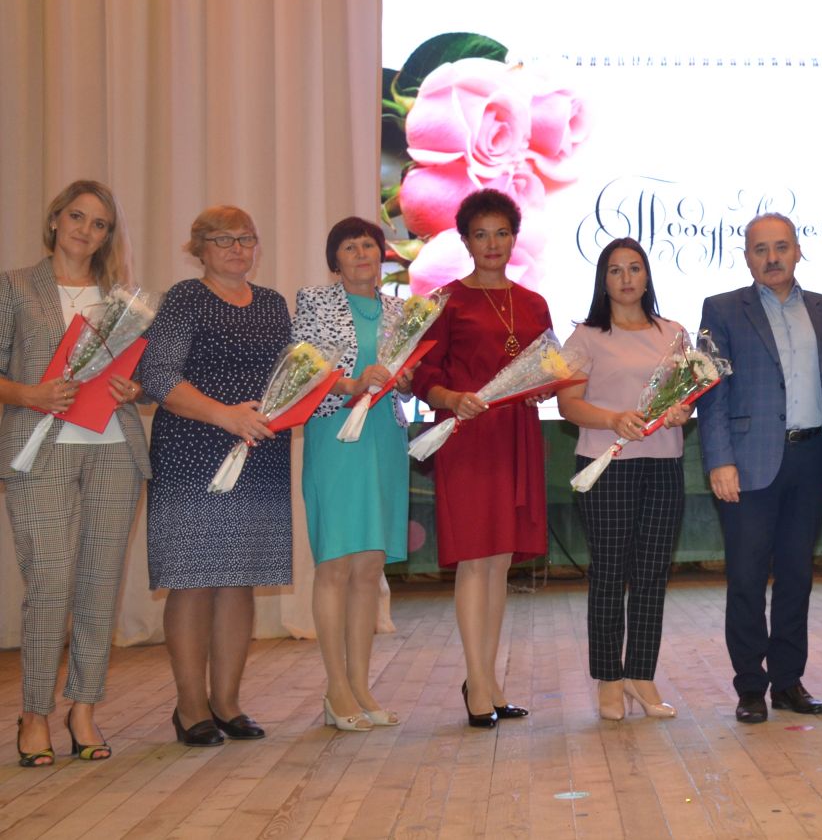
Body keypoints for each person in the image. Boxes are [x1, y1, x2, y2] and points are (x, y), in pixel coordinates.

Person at [1, 180, 148, 766]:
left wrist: (134, 388)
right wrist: (29, 393)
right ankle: (34, 712)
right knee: (50, 583)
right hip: (41, 450)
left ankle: (83, 709)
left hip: (115, 451)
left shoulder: (123, 299)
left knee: (99, 584)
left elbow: (138, 377)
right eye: (78, 217)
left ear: (108, 236)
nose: (87, 230)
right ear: (56, 219)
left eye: (100, 224)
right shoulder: (15, 287)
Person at [139, 205, 290, 746]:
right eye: (222, 240)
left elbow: (289, 376)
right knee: (193, 579)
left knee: (238, 578)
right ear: (198, 248)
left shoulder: (272, 303)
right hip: (192, 452)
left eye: (245, 238)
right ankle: (190, 708)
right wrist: (225, 415)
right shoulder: (185, 298)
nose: (236, 249)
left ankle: (226, 703)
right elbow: (157, 376)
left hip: (257, 453)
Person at [698, 213, 822, 724]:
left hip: (810, 458)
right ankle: (749, 687)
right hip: (747, 463)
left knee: (796, 576)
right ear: (746, 257)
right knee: (745, 577)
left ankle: (787, 681)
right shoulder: (721, 309)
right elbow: (711, 392)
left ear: (798, 251)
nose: (772, 258)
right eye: (760, 249)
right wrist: (720, 459)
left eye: (781, 246)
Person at [411, 189, 550, 728]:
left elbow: (547, 367)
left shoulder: (533, 302)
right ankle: (475, 685)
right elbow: (424, 376)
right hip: (467, 436)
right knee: (474, 559)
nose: (492, 244)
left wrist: (542, 388)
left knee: (499, 562)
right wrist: (452, 399)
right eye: (481, 234)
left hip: (516, 436)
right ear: (465, 241)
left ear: (514, 238)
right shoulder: (446, 300)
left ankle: (487, 683)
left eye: (502, 233)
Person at [557, 238, 693, 721]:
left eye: (634, 268)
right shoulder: (586, 336)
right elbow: (567, 405)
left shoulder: (674, 333)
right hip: (605, 464)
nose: (627, 278)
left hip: (663, 464)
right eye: (615, 270)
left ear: (647, 275)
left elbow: (687, 395)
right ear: (604, 280)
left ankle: (641, 675)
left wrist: (682, 411)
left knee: (653, 573)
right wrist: (614, 419)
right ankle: (608, 681)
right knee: (610, 574)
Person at [292, 217, 414, 732]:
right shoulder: (315, 302)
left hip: (384, 436)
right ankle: (335, 688)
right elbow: (303, 368)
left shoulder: (401, 310)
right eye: (350, 246)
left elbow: (409, 378)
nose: (362, 253)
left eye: (369, 244)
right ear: (334, 260)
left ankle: (361, 686)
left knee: (369, 567)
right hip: (336, 435)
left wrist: (405, 380)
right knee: (336, 564)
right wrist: (351, 383)